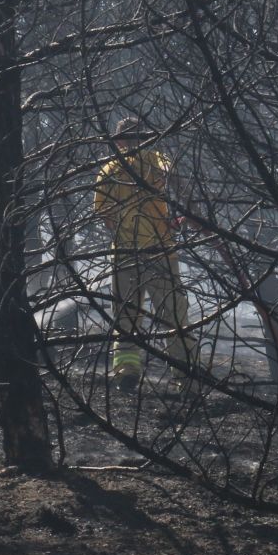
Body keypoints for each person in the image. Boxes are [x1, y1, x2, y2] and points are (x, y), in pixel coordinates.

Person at [93, 118, 197, 393]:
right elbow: (179, 185)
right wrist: (190, 215)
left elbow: (105, 215)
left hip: (124, 254)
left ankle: (126, 372)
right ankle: (186, 375)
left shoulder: (109, 170)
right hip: (160, 252)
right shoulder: (158, 160)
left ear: (118, 141)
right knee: (174, 315)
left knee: (125, 317)